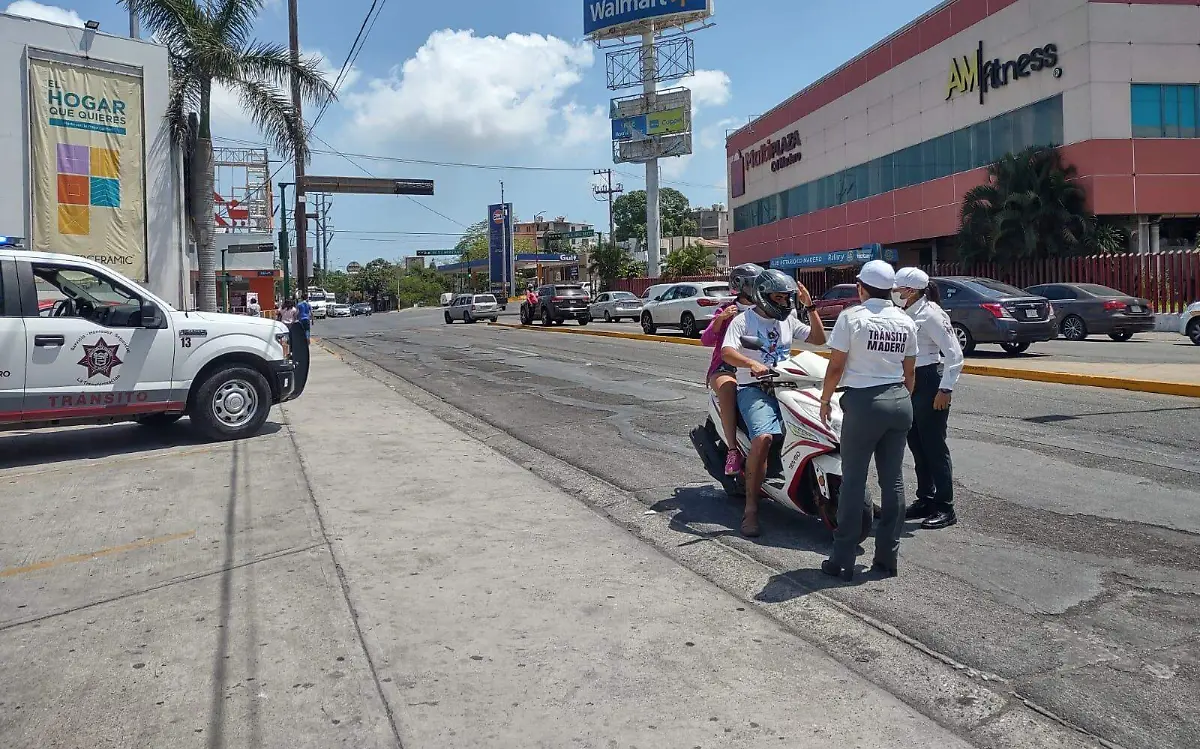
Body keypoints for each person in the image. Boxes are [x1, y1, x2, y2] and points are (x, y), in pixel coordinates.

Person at [818, 260, 917, 581]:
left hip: (863, 403)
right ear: (889, 290)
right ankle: (887, 559)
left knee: (853, 481)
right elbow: (909, 372)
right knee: (894, 483)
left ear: (861, 288)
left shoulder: (852, 318)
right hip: (899, 401)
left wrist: (824, 398)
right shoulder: (905, 320)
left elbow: (835, 367)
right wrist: (900, 401)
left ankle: (843, 559)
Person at [721, 269, 827, 537]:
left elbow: (818, 339)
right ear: (763, 296)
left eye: (786, 298)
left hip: (788, 385)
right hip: (754, 388)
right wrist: (751, 363)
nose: (784, 303)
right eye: (778, 298)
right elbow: (727, 351)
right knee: (764, 438)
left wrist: (809, 306)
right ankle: (751, 509)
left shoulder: (789, 319)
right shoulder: (743, 321)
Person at [893, 268, 964, 530]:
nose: (895, 293)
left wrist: (945, 389)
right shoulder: (904, 312)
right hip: (909, 381)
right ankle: (926, 498)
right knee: (917, 444)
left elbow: (954, 354)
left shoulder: (932, 314)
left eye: (898, 289)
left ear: (910, 291)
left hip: (929, 381)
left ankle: (945, 506)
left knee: (934, 446)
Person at [700, 263, 764, 476]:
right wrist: (721, 319)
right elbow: (706, 339)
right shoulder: (728, 310)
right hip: (726, 367)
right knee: (728, 389)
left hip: (760, 365)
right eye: (753, 284)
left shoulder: (765, 309)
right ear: (741, 285)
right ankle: (733, 450)